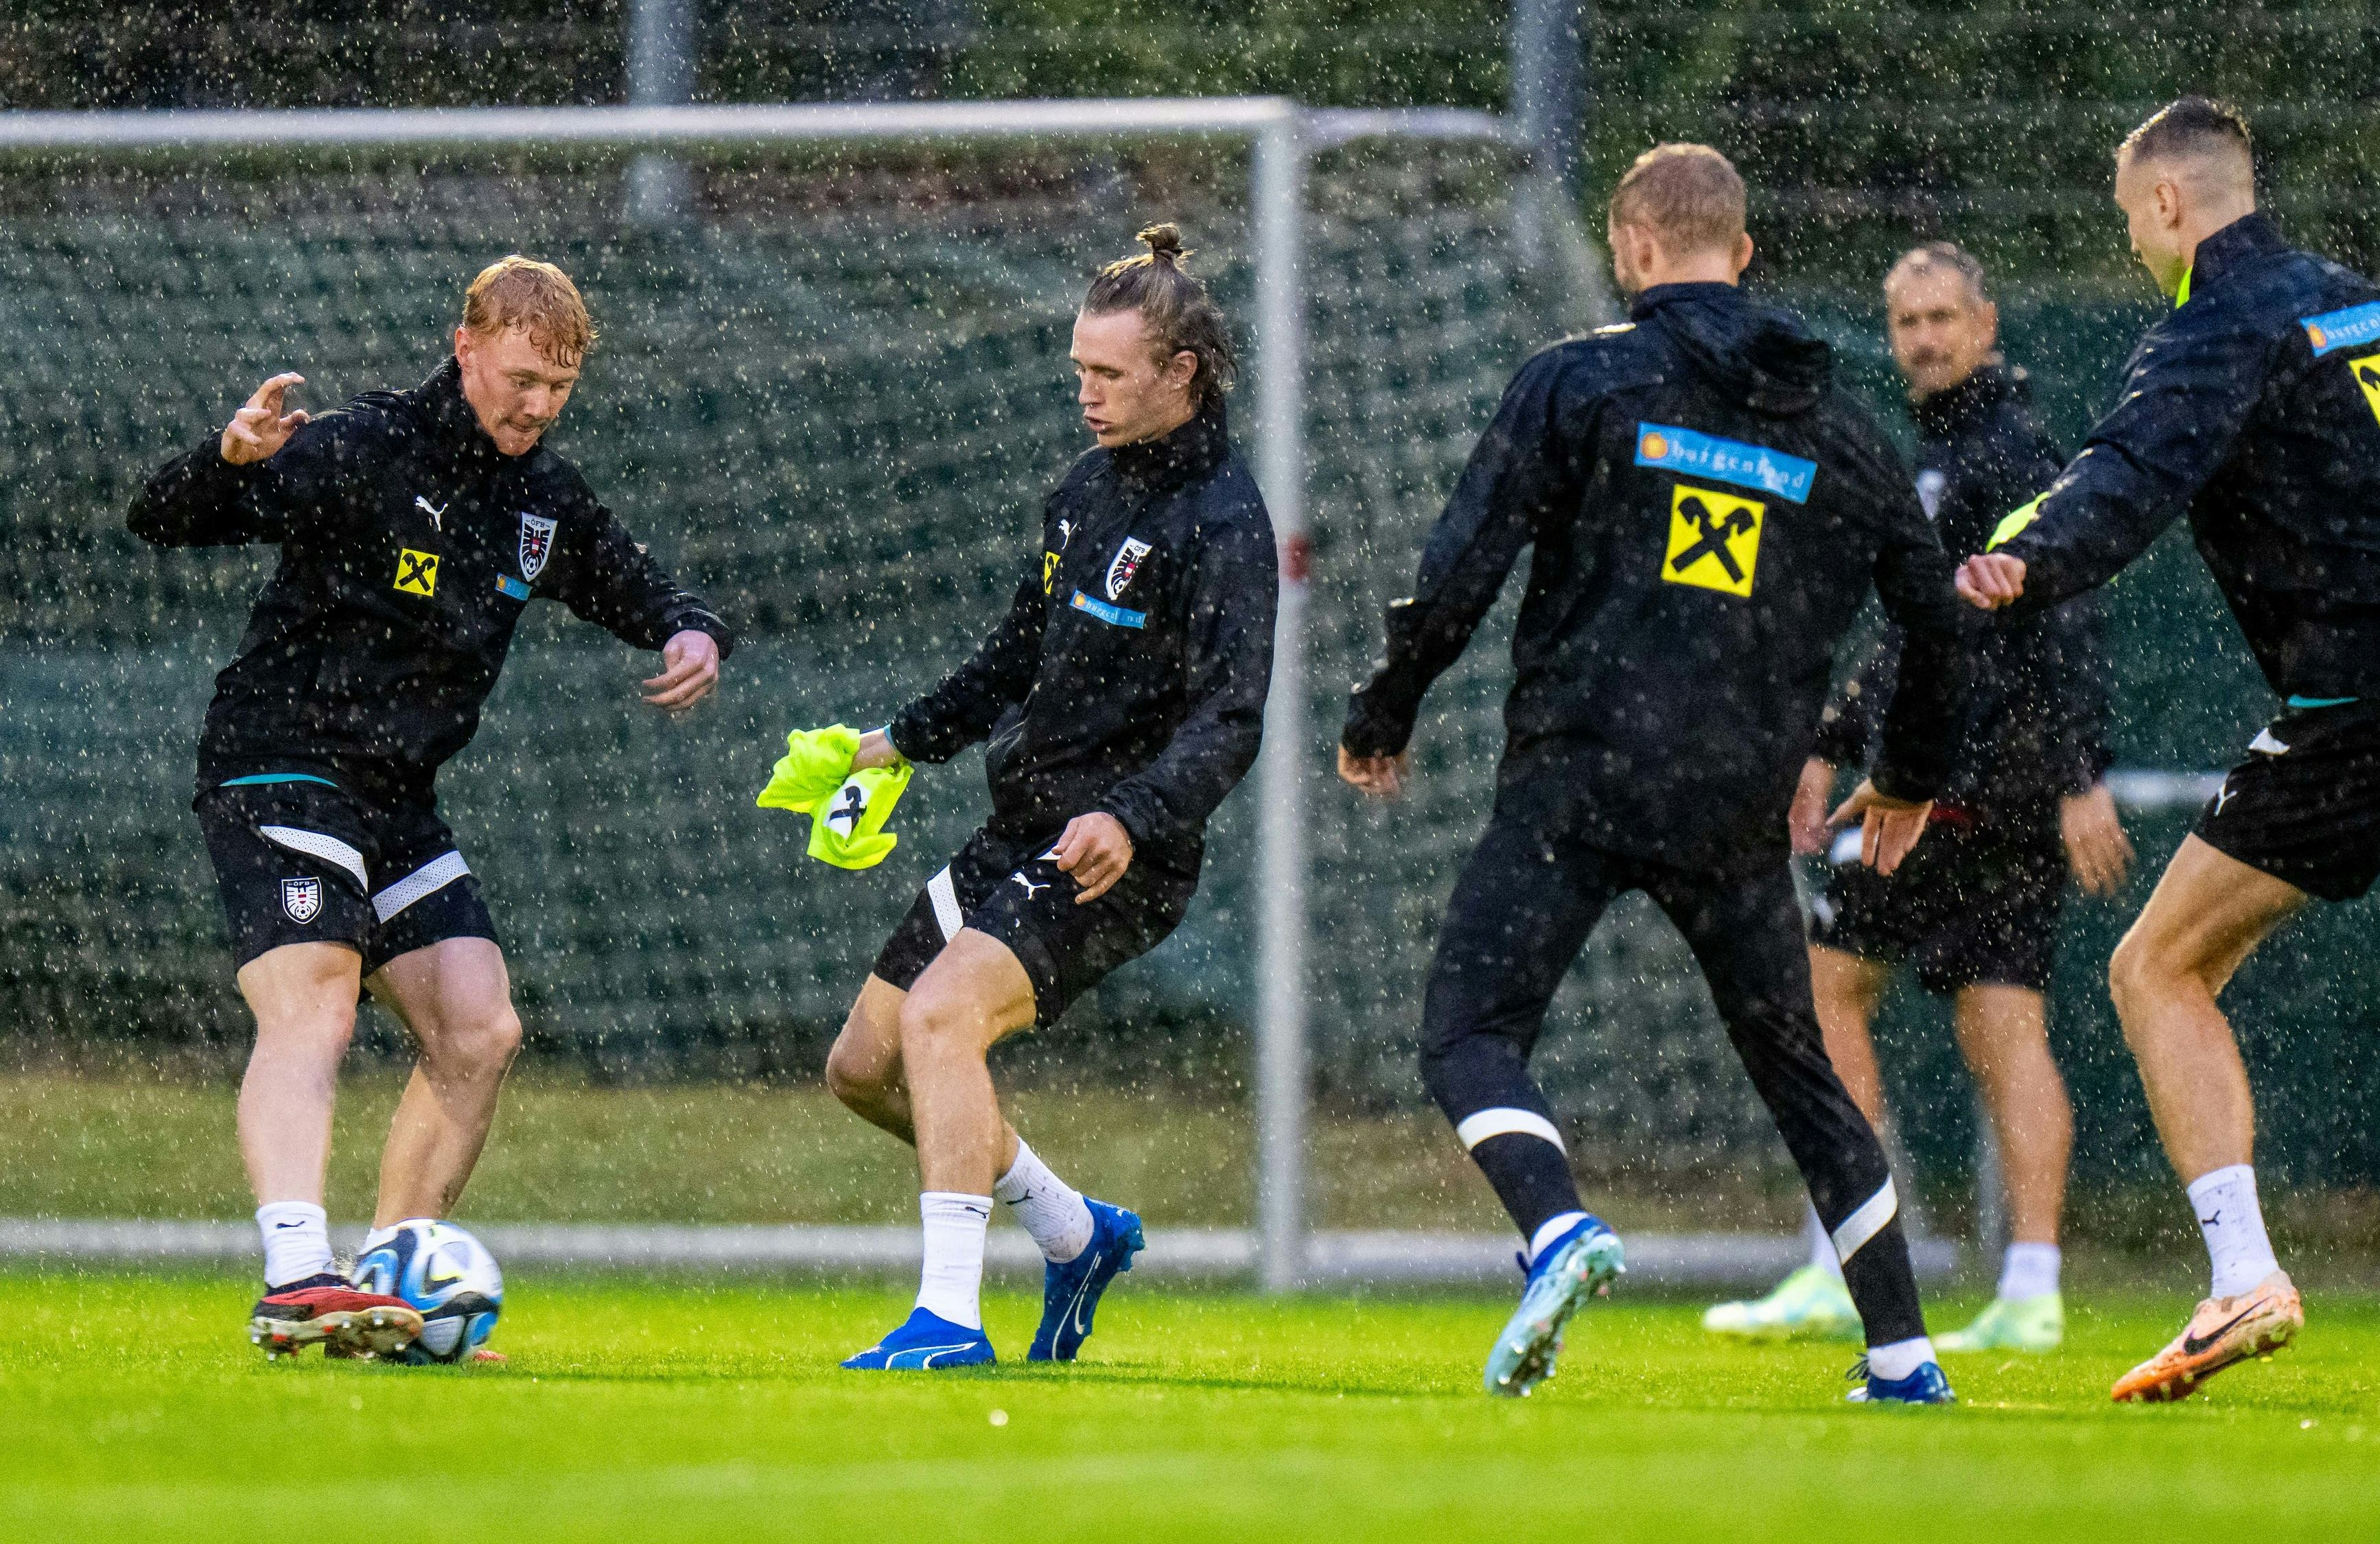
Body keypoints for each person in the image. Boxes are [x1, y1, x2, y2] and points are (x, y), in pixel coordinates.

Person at [1958, 97, 2380, 1401]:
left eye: (2132, 226)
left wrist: (2022, 564)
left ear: (2164, 206)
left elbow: (2128, 477)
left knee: (2156, 967)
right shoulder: (2369, 304)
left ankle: (2241, 1273)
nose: (2140, 251)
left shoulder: (2217, 321)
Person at [1340, 145, 1972, 1403]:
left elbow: (1463, 560)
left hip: (1580, 774)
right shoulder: (1843, 438)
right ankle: (1904, 1352)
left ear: (1632, 251)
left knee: (1470, 1032)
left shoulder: (1579, 381)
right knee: (1799, 1069)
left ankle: (1559, 1225)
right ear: (1741, 256)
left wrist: (1387, 704)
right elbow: (1941, 625)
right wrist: (1907, 772)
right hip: (1737, 806)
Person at [128, 257, 732, 1358]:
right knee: (316, 1000)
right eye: (518, 379)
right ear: (465, 350)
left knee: (478, 1025)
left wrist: (691, 628)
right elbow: (158, 518)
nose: (535, 406)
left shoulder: (542, 500)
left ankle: (392, 1290)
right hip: (280, 759)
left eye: (557, 388)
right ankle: (296, 1276)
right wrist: (226, 460)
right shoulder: (363, 448)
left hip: (394, 796)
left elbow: (636, 582)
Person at [821, 226, 1276, 1372]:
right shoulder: (1081, 492)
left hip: (1117, 853)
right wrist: (896, 741)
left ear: (1182, 373)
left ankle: (948, 1321)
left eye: (1109, 374)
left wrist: (1133, 813)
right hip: (1018, 827)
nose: (1087, 393)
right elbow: (1017, 654)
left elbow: (1232, 715)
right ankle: (1075, 1231)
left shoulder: (1225, 522)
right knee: (863, 1069)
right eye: (1079, 368)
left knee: (941, 1020)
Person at [1705, 243, 2125, 1355]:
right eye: (1906, 322)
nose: (1926, 338)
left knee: (1819, 992)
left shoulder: (2001, 454)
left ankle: (1837, 1257)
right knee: (2002, 1018)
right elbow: (1916, 626)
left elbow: (2058, 605)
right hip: (1999, 781)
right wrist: (1837, 737)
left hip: (1957, 783)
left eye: (1944, 316)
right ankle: (2033, 1289)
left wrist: (2083, 769)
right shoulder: (1955, 450)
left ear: (1988, 324)